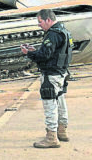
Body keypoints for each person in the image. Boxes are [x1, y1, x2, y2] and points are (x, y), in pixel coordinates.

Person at [21, 9, 73, 148]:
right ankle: (62, 131)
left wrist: (29, 54)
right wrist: (35, 51)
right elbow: (53, 53)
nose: (39, 25)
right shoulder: (64, 31)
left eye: (40, 22)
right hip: (61, 73)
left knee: (50, 105)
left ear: (48, 20)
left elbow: (45, 56)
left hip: (51, 75)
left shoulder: (52, 34)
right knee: (61, 102)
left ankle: (51, 137)